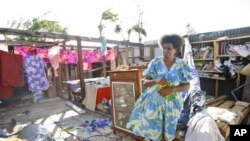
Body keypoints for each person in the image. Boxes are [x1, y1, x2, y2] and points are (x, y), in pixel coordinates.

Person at [126, 34, 193, 141]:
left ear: (176, 49)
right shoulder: (155, 63)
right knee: (152, 129)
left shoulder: (181, 65)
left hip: (172, 104)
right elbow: (145, 82)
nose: (165, 51)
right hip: (153, 103)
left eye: (169, 48)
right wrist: (156, 80)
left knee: (168, 130)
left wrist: (172, 90)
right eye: (164, 48)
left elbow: (187, 84)